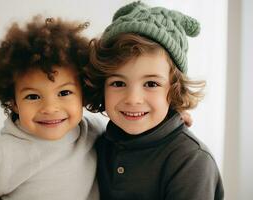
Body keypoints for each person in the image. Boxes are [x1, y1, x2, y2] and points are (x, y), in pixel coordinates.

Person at [0, 16, 105, 200]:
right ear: (13, 103)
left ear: (84, 92)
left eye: (64, 93)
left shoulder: (96, 132)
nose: (50, 108)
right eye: (33, 96)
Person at [86, 1, 224, 199]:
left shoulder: (191, 160)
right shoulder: (97, 141)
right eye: (118, 83)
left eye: (151, 84)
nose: (133, 99)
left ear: (174, 90)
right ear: (102, 86)